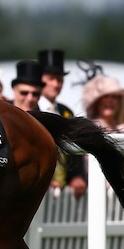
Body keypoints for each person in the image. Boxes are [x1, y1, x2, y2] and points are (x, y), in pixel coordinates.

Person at [37, 49, 86, 197]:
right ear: (40, 79)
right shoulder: (32, 110)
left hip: (64, 190)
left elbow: (74, 149)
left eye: (60, 80)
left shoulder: (66, 113)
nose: (56, 84)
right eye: (51, 78)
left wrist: (78, 176)